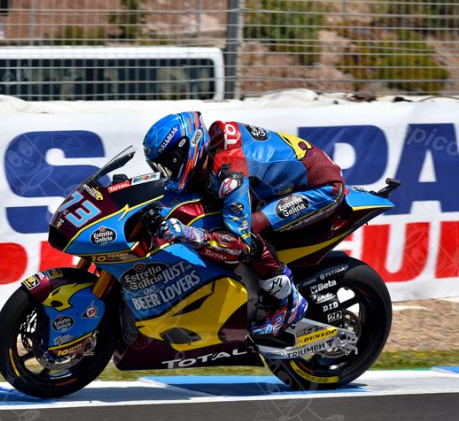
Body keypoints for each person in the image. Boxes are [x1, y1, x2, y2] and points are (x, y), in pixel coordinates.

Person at [143, 112, 345, 338]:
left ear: (188, 148)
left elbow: (240, 245)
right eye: (159, 167)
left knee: (250, 231)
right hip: (282, 183)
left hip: (320, 187)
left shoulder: (230, 175)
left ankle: (288, 302)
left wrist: (189, 234)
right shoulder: (208, 154)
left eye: (169, 163)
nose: (166, 173)